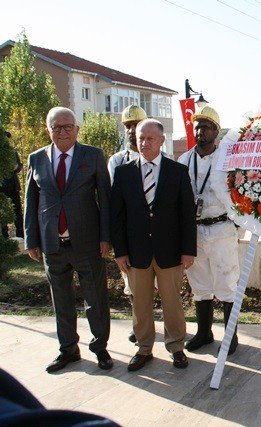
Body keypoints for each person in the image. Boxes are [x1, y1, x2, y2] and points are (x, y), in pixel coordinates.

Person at [24, 107, 113, 373]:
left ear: (76, 129)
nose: (62, 132)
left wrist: (105, 237)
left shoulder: (93, 156)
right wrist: (31, 239)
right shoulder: (36, 159)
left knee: (95, 298)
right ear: (48, 129)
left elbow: (105, 201)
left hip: (87, 242)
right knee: (60, 299)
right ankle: (68, 350)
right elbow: (31, 201)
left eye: (67, 127)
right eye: (56, 127)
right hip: (52, 243)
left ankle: (100, 348)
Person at [111, 118, 197, 372]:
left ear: (161, 140)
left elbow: (186, 214)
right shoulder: (124, 172)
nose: (145, 142)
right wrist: (120, 252)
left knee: (173, 303)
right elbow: (117, 215)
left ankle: (176, 347)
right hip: (136, 252)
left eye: (150, 138)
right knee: (140, 304)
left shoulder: (177, 171)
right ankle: (144, 348)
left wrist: (188, 250)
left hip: (170, 251)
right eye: (140, 138)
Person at [177, 105, 240, 354]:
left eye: (206, 126)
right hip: (194, 231)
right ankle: (204, 332)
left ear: (216, 130)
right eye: (197, 126)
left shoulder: (227, 160)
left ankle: (230, 336)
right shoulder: (184, 160)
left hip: (222, 228)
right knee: (199, 284)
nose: (200, 131)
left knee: (227, 283)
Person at [107, 104, 148, 344]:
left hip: (155, 233)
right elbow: (115, 201)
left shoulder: (161, 157)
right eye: (128, 126)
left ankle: (154, 322)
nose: (132, 130)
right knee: (132, 285)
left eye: (136, 125)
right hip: (130, 234)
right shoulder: (117, 161)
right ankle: (138, 323)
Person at [1, 135, 24, 239]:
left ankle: (21, 236)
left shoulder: (12, 152)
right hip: (2, 187)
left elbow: (20, 165)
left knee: (18, 212)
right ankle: (5, 238)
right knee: (3, 214)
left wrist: (16, 167)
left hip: (13, 186)